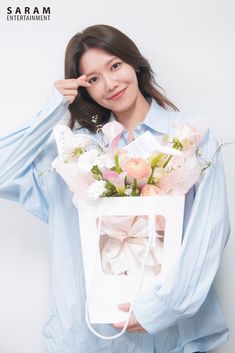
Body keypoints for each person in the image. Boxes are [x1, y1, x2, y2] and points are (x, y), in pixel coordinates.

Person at [0, 24, 230, 353]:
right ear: (85, 90)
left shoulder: (190, 135)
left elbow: (210, 230)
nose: (109, 84)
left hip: (174, 338)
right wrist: (50, 111)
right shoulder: (74, 155)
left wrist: (161, 309)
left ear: (134, 63)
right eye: (93, 79)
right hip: (91, 339)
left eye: (115, 66)